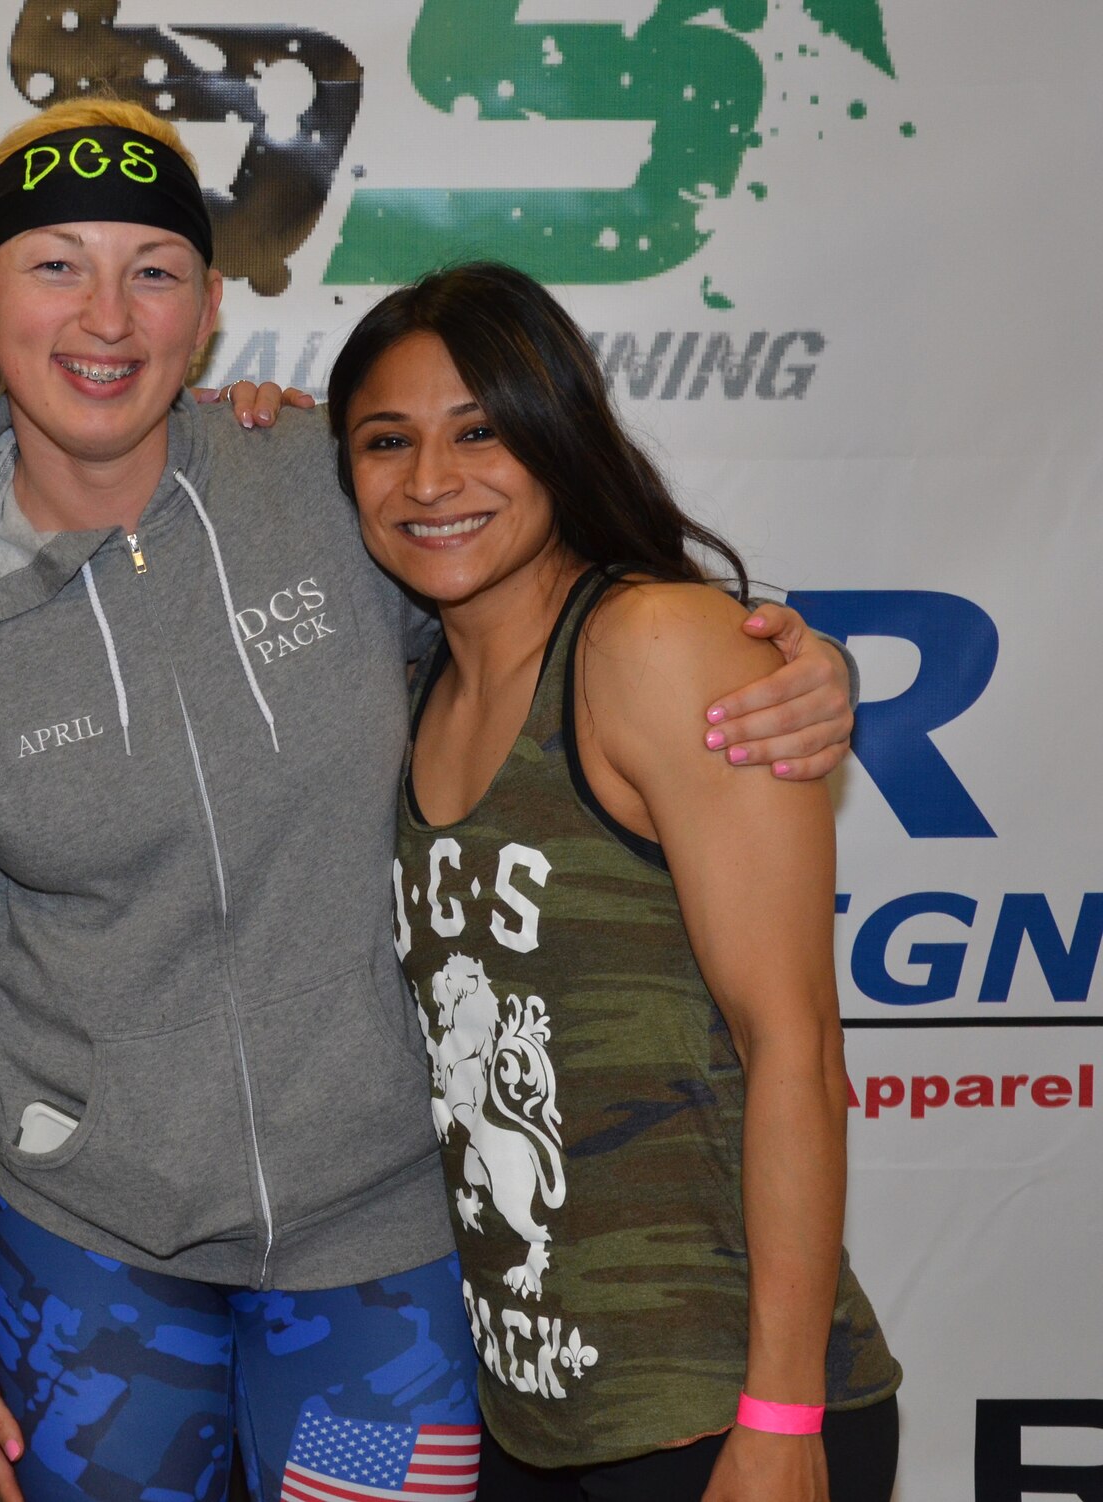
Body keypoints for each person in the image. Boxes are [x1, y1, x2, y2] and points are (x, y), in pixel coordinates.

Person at [0, 101, 860, 1502]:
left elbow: (556, 608)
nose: (105, 315)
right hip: (91, 1253)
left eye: (151, 268)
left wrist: (798, 663)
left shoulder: (331, 480)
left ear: (206, 309)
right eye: (54, 265)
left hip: (388, 1249)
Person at [328, 262, 901, 1501]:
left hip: (713, 1415)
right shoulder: (416, 679)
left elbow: (791, 1045)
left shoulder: (650, 645)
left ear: (554, 438)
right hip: (528, 1420)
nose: (430, 481)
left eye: (479, 431)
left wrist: (777, 1413)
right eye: (386, 440)